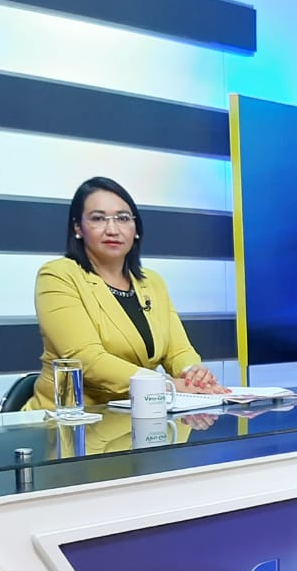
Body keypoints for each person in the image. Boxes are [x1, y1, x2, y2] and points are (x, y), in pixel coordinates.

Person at [24, 176, 228, 411]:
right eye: (98, 218)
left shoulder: (152, 282)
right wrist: (165, 384)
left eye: (122, 218)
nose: (112, 230)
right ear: (78, 228)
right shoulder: (58, 275)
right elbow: (86, 359)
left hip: (137, 416)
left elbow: (178, 350)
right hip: (70, 419)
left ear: (136, 228)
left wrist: (193, 373)